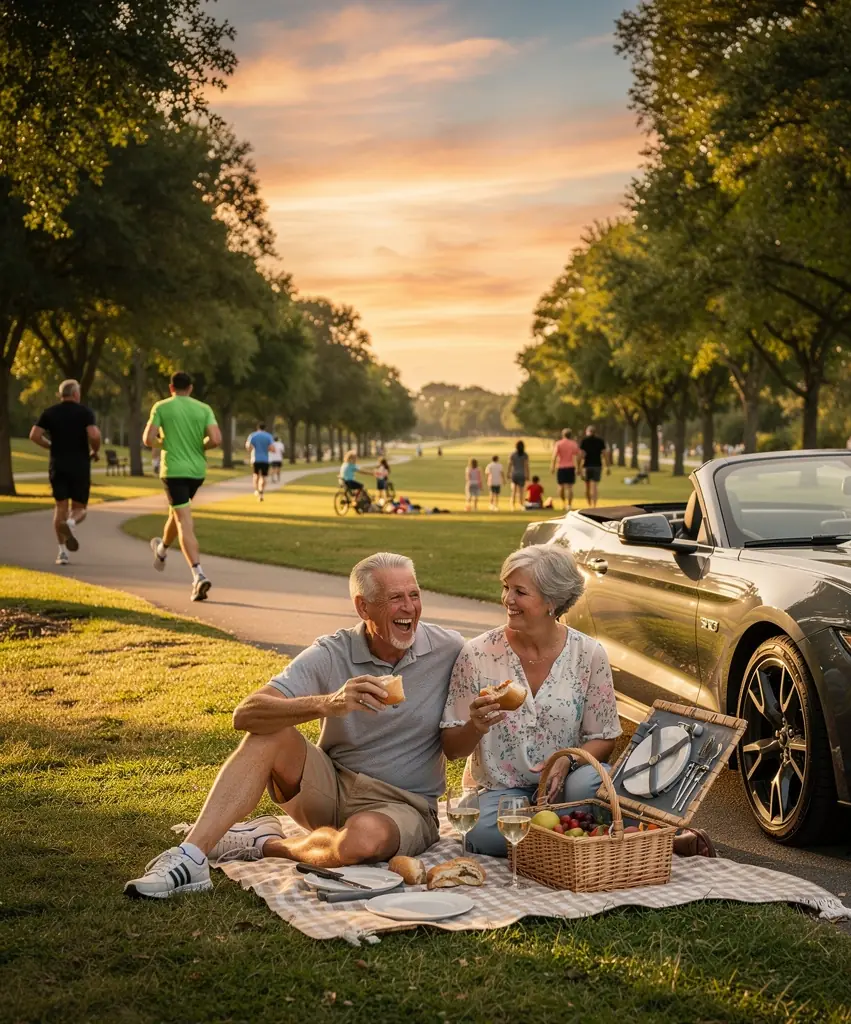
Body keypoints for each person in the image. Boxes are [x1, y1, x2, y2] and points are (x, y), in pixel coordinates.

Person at [124, 553, 464, 898]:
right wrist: (328, 703)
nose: (409, 608)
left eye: (414, 595)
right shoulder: (333, 651)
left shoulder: (448, 648)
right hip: (330, 783)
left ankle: (264, 844)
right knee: (269, 733)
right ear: (363, 607)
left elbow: (500, 658)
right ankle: (190, 857)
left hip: (405, 805)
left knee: (360, 841)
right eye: (395, 598)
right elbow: (246, 713)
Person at [440, 546, 621, 856]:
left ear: (551, 601)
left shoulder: (588, 654)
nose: (507, 599)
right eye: (506, 588)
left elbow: (605, 737)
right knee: (482, 832)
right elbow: (452, 749)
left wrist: (567, 760)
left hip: (567, 787)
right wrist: (475, 726)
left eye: (520, 591)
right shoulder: (478, 653)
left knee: (594, 783)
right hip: (501, 790)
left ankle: (541, 836)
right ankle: (571, 838)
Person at [144, 372, 221, 601]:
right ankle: (162, 550)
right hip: (197, 472)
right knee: (178, 512)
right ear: (191, 387)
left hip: (174, 471)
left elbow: (148, 439)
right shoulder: (203, 408)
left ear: (171, 388)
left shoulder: (161, 407)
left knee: (183, 520)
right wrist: (200, 446)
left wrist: (163, 442)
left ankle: (198, 575)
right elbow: (216, 439)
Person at [28, 379, 101, 566]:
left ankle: (62, 553)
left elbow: (34, 435)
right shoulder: (85, 412)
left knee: (60, 506)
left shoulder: (50, 412)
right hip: (80, 465)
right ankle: (71, 523)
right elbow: (94, 435)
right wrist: (95, 450)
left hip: (57, 465)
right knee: (80, 509)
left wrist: (50, 445)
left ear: (61, 394)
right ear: (76, 394)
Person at [578, 425, 609, 506]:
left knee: (587, 486)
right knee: (594, 486)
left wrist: (578, 467)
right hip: (597, 465)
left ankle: (589, 504)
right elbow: (605, 454)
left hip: (587, 466)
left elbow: (581, 455)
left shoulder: (584, 441)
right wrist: (607, 466)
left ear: (587, 432)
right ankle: (594, 505)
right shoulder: (600, 441)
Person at [550, 427, 580, 510]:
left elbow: (554, 456)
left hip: (561, 467)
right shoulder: (573, 444)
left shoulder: (558, 443)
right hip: (570, 467)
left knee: (561, 487)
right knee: (570, 487)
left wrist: (552, 466)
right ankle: (569, 505)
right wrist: (578, 468)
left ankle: (563, 502)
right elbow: (577, 456)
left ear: (563, 435)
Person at [245, 422, 274, 502]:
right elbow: (272, 448)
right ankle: (261, 493)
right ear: (265, 428)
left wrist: (253, 449)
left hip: (255, 459)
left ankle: (257, 490)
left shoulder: (253, 435)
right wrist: (266, 449)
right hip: (265, 459)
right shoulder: (269, 436)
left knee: (256, 475)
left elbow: (248, 447)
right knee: (264, 477)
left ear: (257, 428)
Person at [506, 440, 530, 510]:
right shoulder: (525, 455)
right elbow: (526, 466)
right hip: (522, 474)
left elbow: (510, 464)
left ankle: (512, 505)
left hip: (514, 474)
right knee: (521, 491)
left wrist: (508, 473)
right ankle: (521, 504)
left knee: (513, 491)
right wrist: (528, 474)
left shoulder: (513, 454)